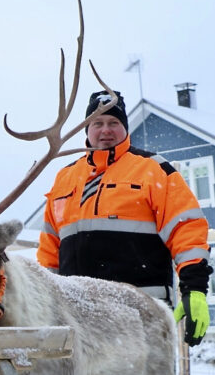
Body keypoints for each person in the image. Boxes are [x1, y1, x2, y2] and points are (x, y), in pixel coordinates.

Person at [37, 90, 213, 347]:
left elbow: (186, 230)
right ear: (87, 130)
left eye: (113, 123)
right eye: (97, 123)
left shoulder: (154, 169)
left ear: (125, 128)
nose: (105, 130)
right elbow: (49, 252)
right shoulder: (65, 177)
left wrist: (194, 288)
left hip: (140, 313)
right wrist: (43, 302)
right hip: (78, 316)